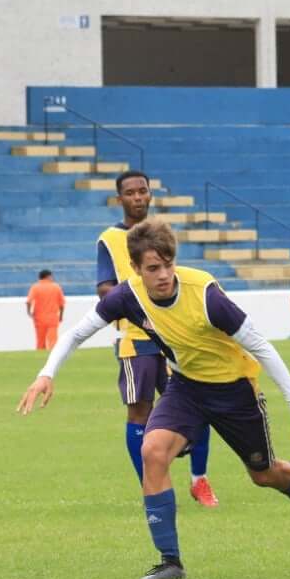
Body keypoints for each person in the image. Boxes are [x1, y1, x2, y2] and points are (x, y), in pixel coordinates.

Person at [19, 216, 290, 579]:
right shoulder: (128, 295)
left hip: (235, 389)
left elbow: (262, 347)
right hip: (186, 387)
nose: (163, 274)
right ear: (136, 268)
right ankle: (170, 561)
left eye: (168, 264)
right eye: (153, 268)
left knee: (264, 474)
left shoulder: (206, 296)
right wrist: (47, 373)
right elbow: (75, 333)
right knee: (153, 451)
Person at [98, 170, 218, 507]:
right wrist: (135, 301)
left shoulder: (161, 232)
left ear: (150, 195)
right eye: (130, 193)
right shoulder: (109, 239)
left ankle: (200, 480)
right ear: (120, 199)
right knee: (139, 411)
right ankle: (150, 486)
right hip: (135, 340)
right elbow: (103, 287)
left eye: (143, 191)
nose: (137, 197)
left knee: (200, 404)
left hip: (174, 334)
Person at [26, 269, 65, 350]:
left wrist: (29, 312)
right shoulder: (56, 287)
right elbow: (61, 304)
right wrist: (61, 316)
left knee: (40, 341)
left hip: (39, 318)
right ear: (48, 276)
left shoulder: (35, 287)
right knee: (53, 340)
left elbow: (29, 302)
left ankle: (40, 356)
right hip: (52, 317)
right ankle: (53, 357)